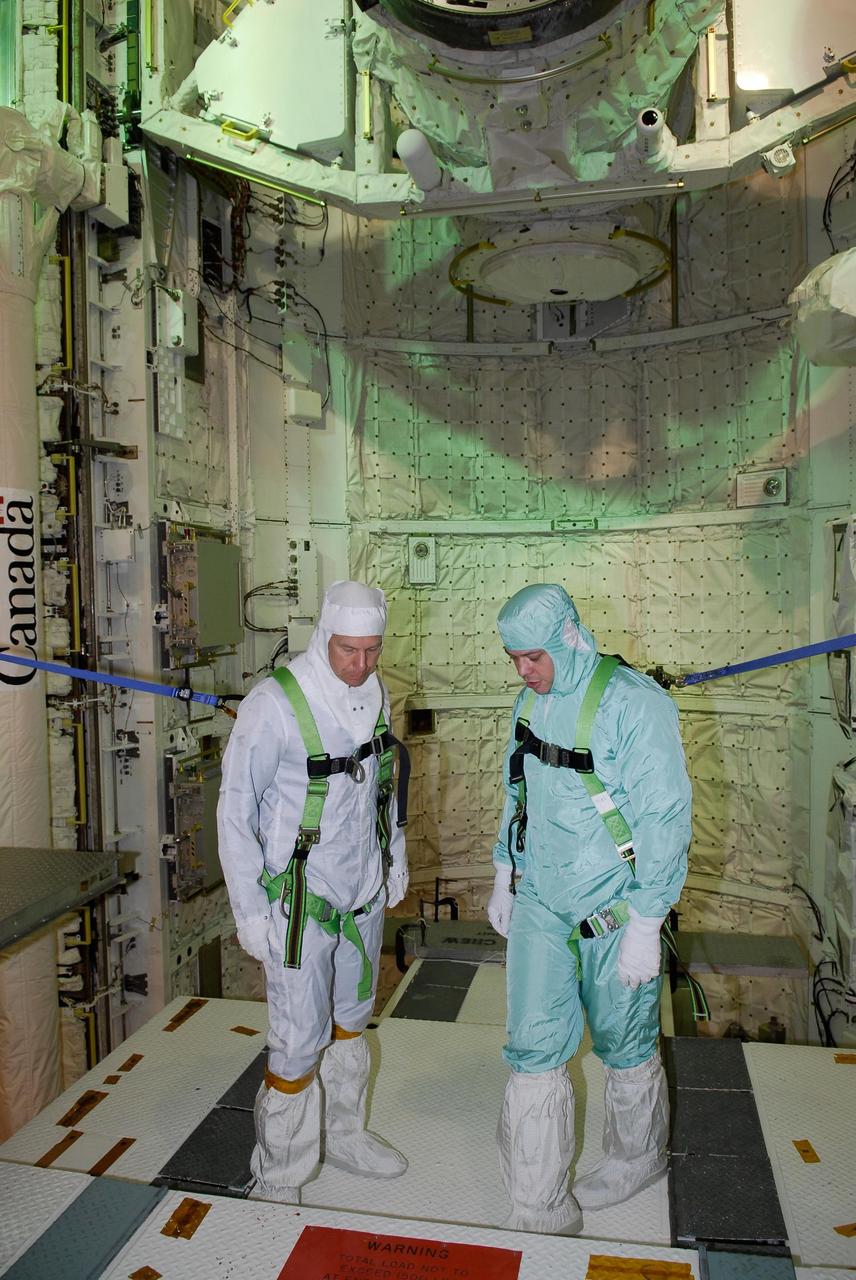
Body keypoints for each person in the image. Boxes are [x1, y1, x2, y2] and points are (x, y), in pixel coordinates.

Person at [487, 583, 691, 1235]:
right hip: (542, 903)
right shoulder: (529, 702)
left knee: (624, 1043)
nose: (524, 671)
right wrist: (503, 868)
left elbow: (665, 817)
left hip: (614, 911)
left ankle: (638, 1157)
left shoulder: (633, 705)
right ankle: (537, 1200)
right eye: (514, 658)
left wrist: (647, 920)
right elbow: (517, 787)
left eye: (534, 657)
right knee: (533, 1047)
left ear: (569, 637)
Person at [217, 580, 410, 1203]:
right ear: (324, 636)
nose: (360, 665)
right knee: (298, 1040)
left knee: (352, 1022)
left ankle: (344, 1133)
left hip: (362, 894)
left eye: (372, 651)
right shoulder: (273, 705)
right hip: (300, 901)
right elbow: (235, 812)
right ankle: (282, 1173)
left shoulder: (375, 694)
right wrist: (249, 910)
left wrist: (393, 856)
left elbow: (382, 784)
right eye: (348, 650)